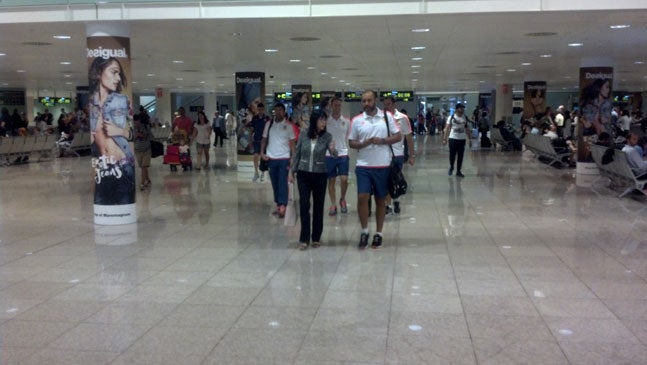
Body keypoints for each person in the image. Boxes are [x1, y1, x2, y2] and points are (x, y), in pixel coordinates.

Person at [348, 90, 401, 249]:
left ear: (375, 100)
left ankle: (379, 233)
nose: (366, 104)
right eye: (363, 101)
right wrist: (364, 143)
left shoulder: (386, 117)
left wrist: (382, 141)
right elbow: (351, 142)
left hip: (383, 165)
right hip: (363, 166)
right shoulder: (357, 120)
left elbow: (398, 136)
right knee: (362, 197)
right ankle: (364, 231)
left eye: (369, 100)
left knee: (380, 200)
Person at [88, 56, 135, 205]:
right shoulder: (90, 104)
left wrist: (120, 132)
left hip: (124, 165)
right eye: (114, 72)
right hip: (103, 168)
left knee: (125, 206)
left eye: (119, 73)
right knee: (102, 205)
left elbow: (134, 133)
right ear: (98, 73)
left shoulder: (123, 101)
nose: (119, 78)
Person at [289, 110, 337, 250]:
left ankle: (316, 237)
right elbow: (297, 154)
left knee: (318, 205)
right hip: (303, 174)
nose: (324, 123)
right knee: (304, 205)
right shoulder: (303, 135)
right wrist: (292, 171)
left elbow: (334, 154)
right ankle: (304, 238)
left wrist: (333, 150)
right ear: (314, 120)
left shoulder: (327, 137)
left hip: (320, 174)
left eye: (325, 120)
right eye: (321, 120)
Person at [261, 103, 296, 218]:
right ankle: (278, 203)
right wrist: (262, 152)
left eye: (280, 110)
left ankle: (283, 205)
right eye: (276, 110)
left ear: (284, 111)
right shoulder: (269, 124)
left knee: (282, 182)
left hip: (284, 158)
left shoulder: (289, 126)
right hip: (271, 158)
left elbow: (292, 145)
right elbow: (264, 139)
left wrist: (293, 161)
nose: (278, 112)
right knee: (275, 183)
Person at [382, 96, 414, 215]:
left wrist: (412, 156)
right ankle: (388, 205)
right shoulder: (380, 118)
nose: (386, 107)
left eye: (389, 104)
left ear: (394, 104)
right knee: (385, 181)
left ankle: (396, 200)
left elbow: (409, 138)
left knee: (395, 180)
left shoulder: (402, 118)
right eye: (385, 105)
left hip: (398, 155)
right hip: (384, 155)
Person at [325, 97, 351, 216]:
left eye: (339, 105)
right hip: (329, 155)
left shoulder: (346, 121)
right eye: (335, 105)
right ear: (331, 106)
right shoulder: (326, 121)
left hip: (343, 154)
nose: (337, 108)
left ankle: (343, 198)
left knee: (344, 180)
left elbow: (349, 138)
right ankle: (333, 204)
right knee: (331, 180)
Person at [442, 103, 470, 178]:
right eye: (461, 108)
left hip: (462, 140)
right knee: (452, 155)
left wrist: (470, 139)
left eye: (463, 108)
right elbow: (447, 128)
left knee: (460, 156)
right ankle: (451, 167)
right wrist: (445, 139)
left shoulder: (465, 117)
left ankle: (458, 171)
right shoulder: (451, 117)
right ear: (457, 109)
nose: (463, 110)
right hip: (452, 139)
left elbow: (467, 128)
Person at [248, 103, 270, 182]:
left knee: (263, 158)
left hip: (264, 142)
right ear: (257, 109)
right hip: (256, 141)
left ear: (264, 109)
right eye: (259, 109)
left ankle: (262, 173)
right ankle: (256, 172)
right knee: (255, 156)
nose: (260, 111)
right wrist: (250, 140)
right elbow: (251, 130)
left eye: (262, 109)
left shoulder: (267, 118)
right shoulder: (255, 118)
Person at [133, 113, 153, 190]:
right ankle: (147, 179)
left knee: (144, 166)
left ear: (140, 121)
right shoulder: (132, 129)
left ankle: (142, 183)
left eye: (137, 121)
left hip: (147, 149)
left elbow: (149, 136)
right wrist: (136, 135)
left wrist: (141, 135)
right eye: (135, 122)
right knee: (142, 167)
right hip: (138, 150)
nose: (136, 123)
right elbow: (132, 139)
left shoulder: (145, 127)